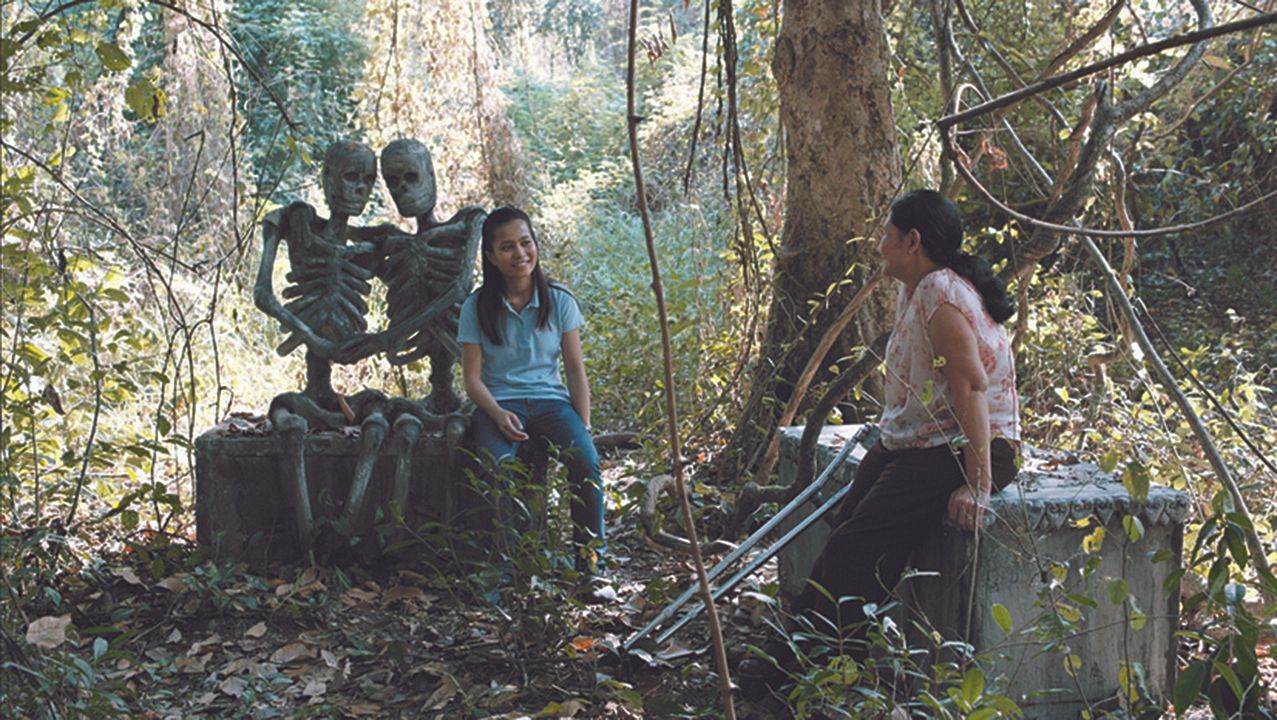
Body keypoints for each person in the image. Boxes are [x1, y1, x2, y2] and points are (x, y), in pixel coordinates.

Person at [741, 189, 1021, 691]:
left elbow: (973, 387)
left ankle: (791, 668)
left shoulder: (941, 291)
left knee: (859, 544)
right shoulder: (919, 286)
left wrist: (977, 485)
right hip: (923, 441)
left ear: (911, 242)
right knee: (846, 524)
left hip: (971, 446)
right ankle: (807, 649)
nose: (879, 246)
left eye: (886, 236)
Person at [457, 206, 608, 597]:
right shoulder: (476, 307)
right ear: (490, 256)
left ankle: (591, 566)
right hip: (499, 402)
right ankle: (504, 571)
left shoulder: (558, 300)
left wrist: (584, 427)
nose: (519, 253)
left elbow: (575, 370)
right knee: (495, 468)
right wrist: (496, 413)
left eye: (526, 242)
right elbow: (472, 378)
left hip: (550, 403)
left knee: (586, 462)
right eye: (506, 247)